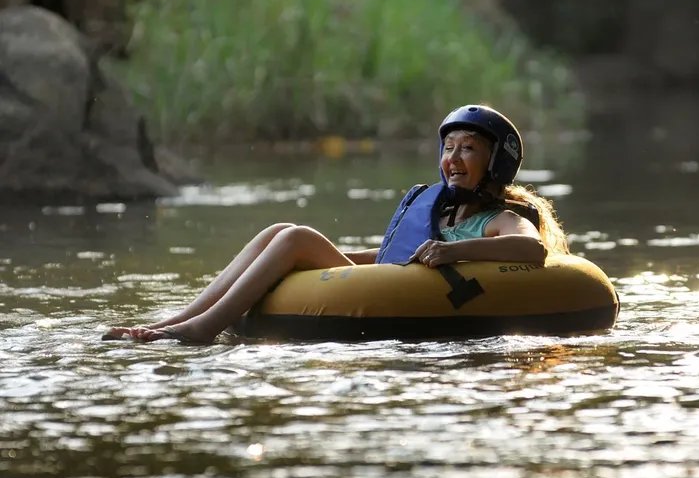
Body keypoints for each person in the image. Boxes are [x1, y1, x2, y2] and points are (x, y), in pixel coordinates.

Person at [105, 104, 569, 343]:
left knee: (298, 236)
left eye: (469, 149)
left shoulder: (500, 219)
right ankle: (176, 321)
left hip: (421, 292)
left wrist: (452, 251)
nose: (454, 158)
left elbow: (532, 250)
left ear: (494, 164)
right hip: (397, 279)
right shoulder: (441, 211)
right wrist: (349, 258)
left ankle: (203, 330)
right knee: (279, 233)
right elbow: (394, 258)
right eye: (449, 148)